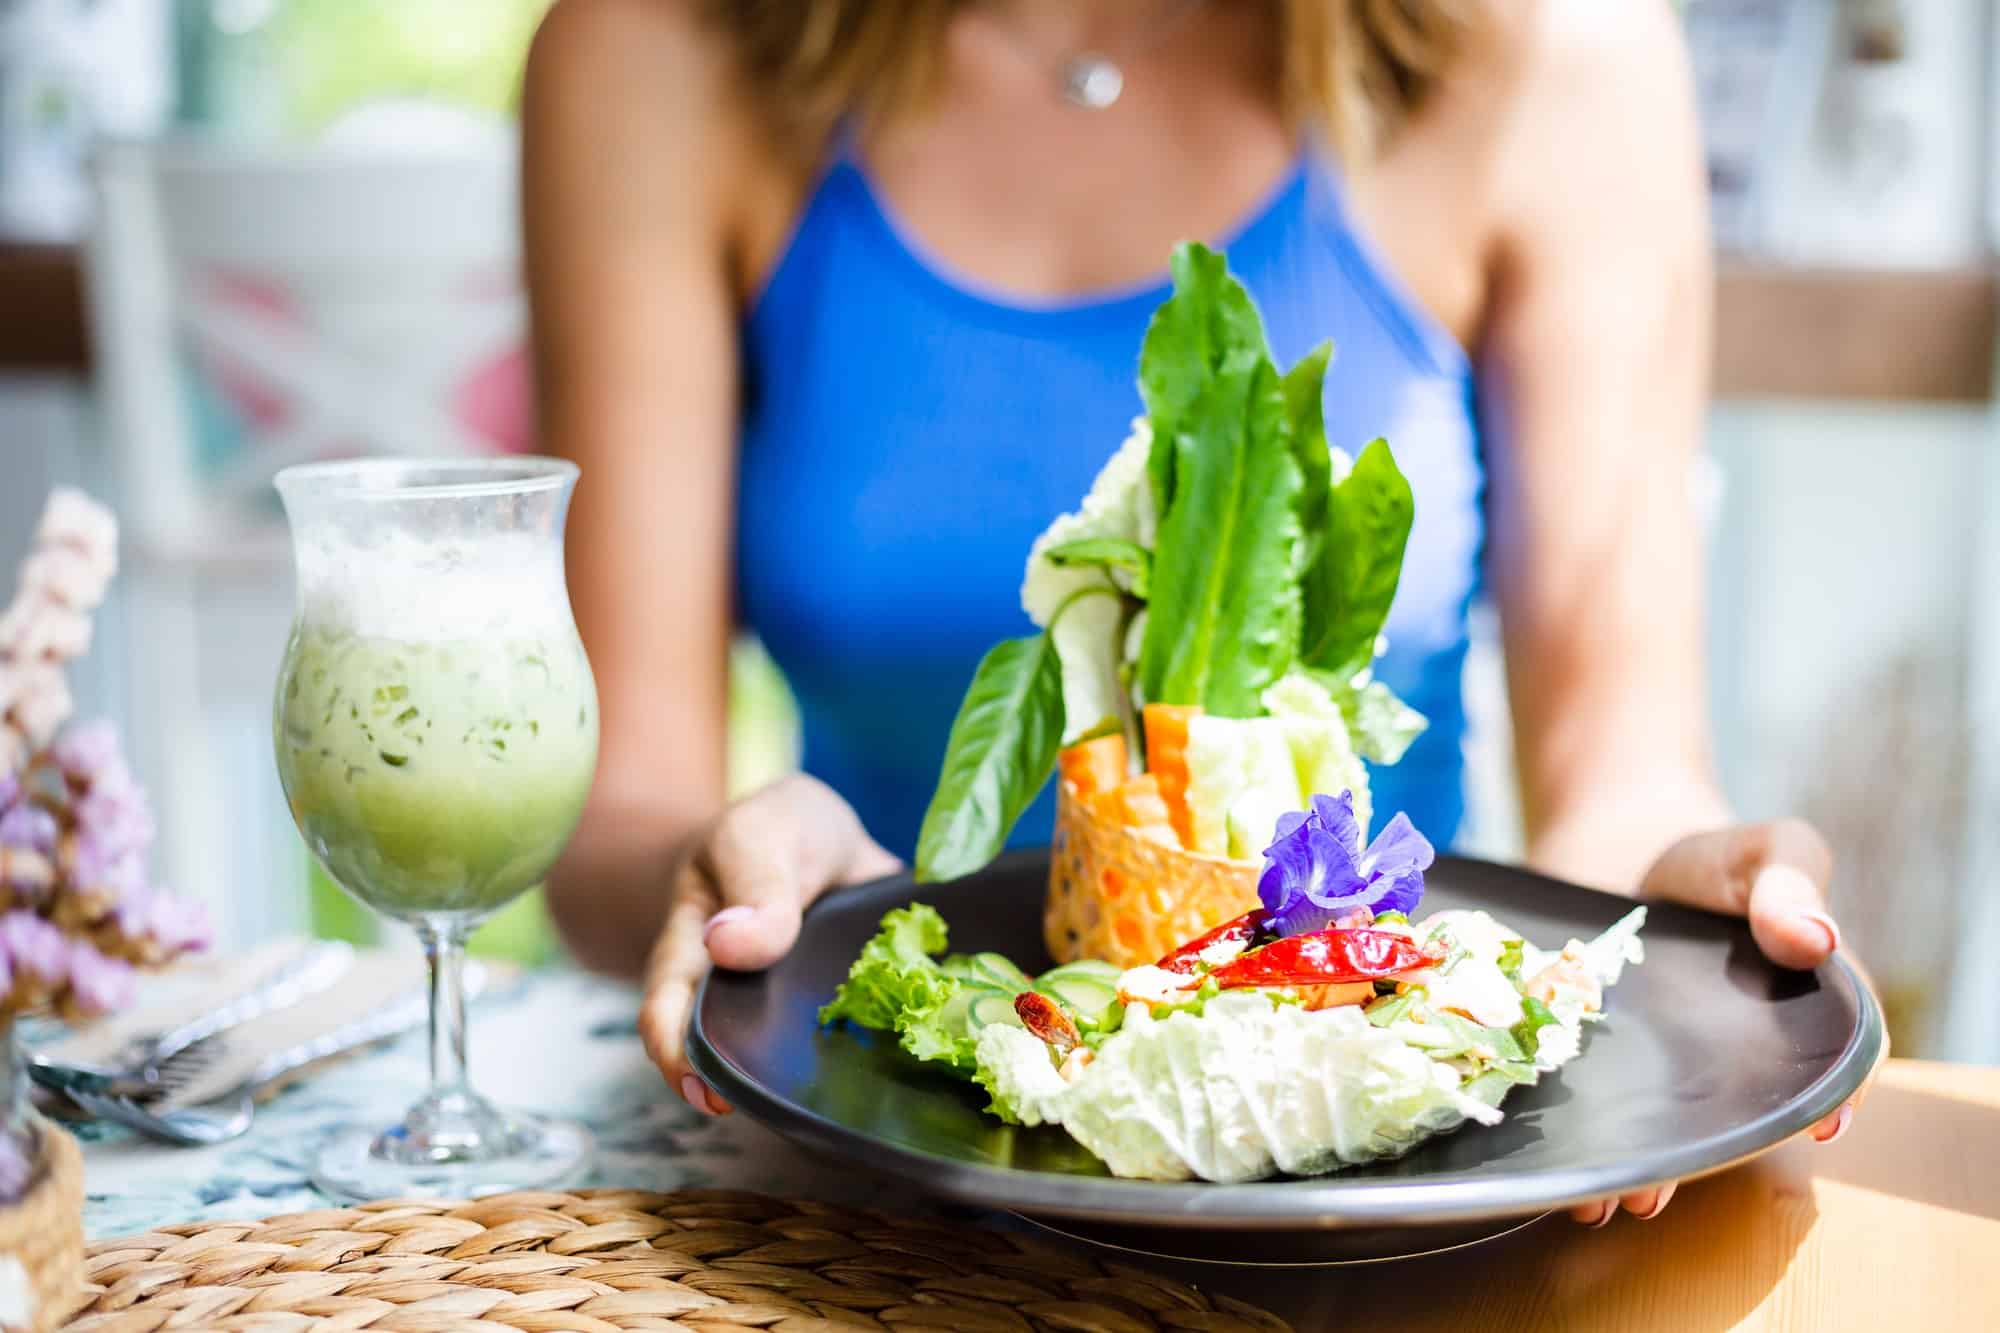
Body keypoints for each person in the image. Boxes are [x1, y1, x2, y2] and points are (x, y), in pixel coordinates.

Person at [523, 0, 1876, 1226]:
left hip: (1385, 1199)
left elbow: (1617, 780)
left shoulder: (1562, 56)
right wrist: (726, 877)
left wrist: (1690, 913)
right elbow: (615, 822)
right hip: (859, 1183)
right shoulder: (658, 54)